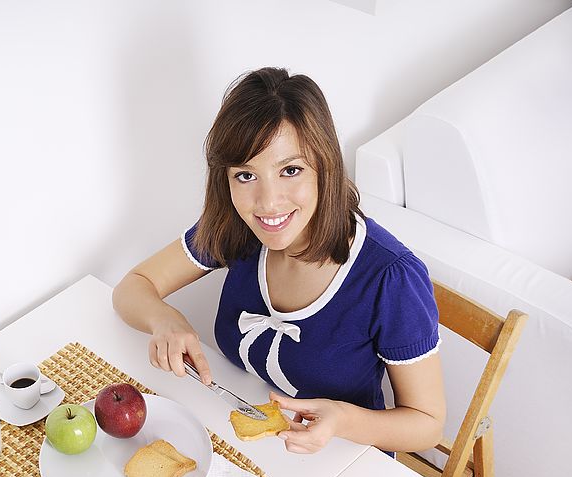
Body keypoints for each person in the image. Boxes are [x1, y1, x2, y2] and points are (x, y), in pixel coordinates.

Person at [112, 67, 445, 455]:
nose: (268, 203)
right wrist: (164, 319)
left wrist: (341, 419)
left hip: (342, 455)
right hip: (249, 440)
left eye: (290, 170)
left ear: (326, 167)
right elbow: (133, 287)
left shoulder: (392, 279)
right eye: (245, 175)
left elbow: (427, 425)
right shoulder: (235, 228)